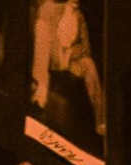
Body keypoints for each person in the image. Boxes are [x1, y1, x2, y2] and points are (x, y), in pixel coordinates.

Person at [26, 0, 102, 145]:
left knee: (90, 65)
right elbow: (47, 44)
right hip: (55, 57)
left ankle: (101, 121)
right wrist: (63, 56)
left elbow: (86, 47)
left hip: (72, 60)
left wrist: (73, 54)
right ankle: (38, 96)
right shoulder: (50, 9)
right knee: (42, 28)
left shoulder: (79, 16)